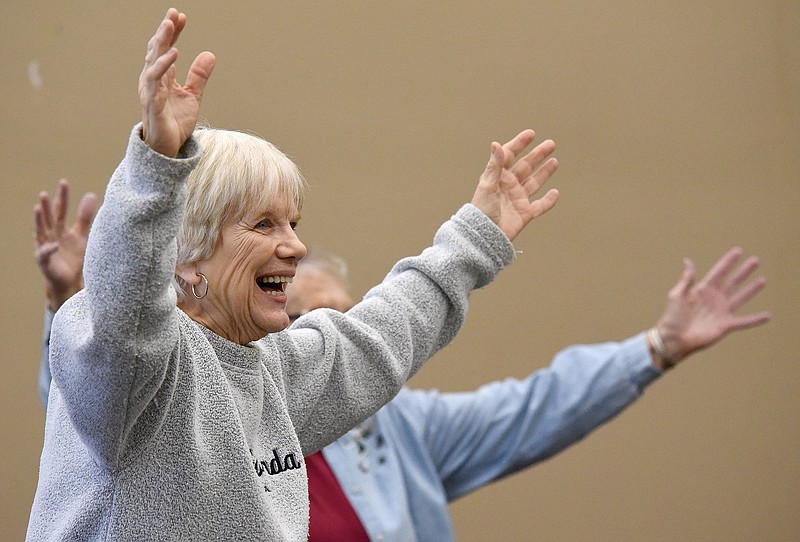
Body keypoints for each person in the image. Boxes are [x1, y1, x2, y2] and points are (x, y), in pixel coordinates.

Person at [26, 8, 562, 541]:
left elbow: (380, 334)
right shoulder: (133, 370)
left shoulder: (274, 374)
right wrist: (156, 164)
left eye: (292, 222)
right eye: (263, 224)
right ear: (187, 256)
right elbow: (127, 311)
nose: (296, 245)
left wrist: (475, 236)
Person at [34, 185, 771, 541]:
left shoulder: (398, 427)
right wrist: (74, 296)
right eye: (312, 317)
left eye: (351, 318)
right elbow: (96, 411)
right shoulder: (194, 401)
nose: (338, 335)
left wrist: (657, 348)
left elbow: (534, 409)